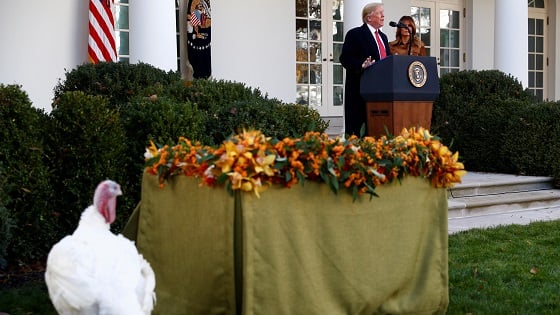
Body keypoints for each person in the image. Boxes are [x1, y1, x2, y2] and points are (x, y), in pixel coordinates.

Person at [339, 3, 391, 137]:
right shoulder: (355, 34)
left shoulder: (383, 37)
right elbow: (345, 58)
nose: (383, 15)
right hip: (360, 90)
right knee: (359, 132)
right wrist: (361, 65)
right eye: (379, 13)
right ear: (369, 17)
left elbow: (386, 60)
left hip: (381, 91)